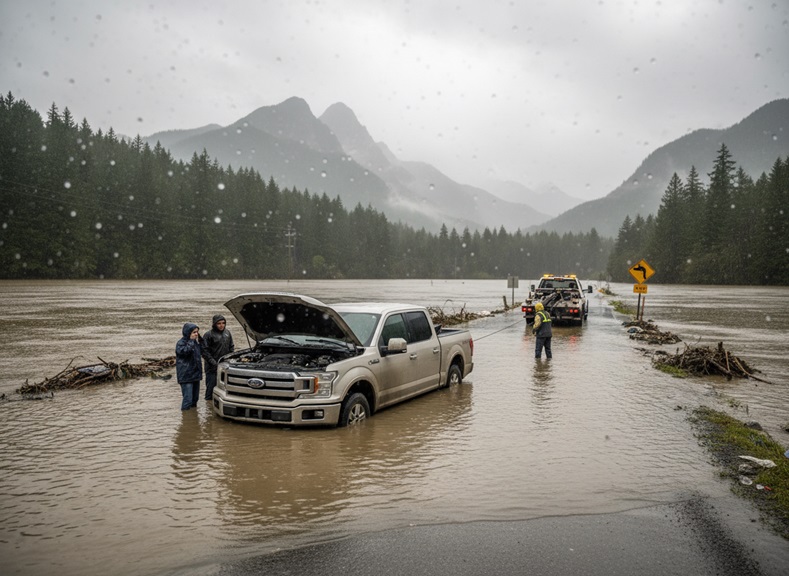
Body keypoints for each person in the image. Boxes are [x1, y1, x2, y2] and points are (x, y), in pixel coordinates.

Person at [202, 314, 234, 401]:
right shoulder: (208, 335)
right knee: (210, 390)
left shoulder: (227, 333)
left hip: (225, 366)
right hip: (211, 368)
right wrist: (214, 363)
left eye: (223, 323)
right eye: (219, 323)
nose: (221, 325)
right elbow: (204, 352)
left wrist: (230, 360)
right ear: (214, 324)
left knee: (224, 390)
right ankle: (208, 406)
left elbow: (231, 347)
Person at [175, 322, 203, 410]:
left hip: (196, 374)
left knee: (195, 399)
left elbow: (202, 353)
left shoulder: (196, 343)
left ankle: (193, 416)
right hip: (186, 376)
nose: (196, 334)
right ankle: (185, 416)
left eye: (197, 332)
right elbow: (185, 352)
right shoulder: (180, 343)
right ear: (188, 333)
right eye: (194, 332)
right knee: (187, 400)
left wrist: (201, 341)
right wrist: (191, 341)